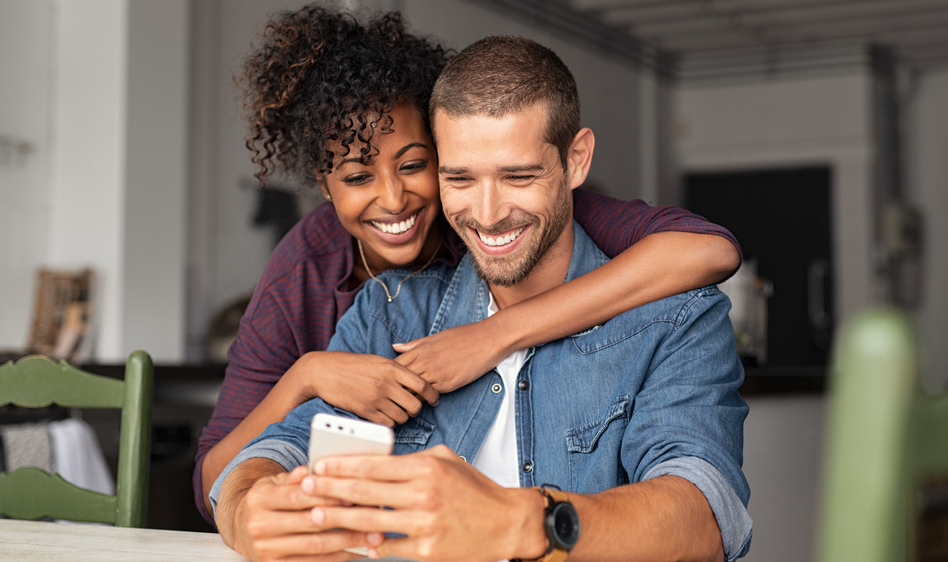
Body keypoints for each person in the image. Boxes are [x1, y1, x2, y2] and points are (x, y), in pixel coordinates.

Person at [211, 34, 752, 562]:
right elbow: (272, 453)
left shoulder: (678, 318)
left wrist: (519, 522)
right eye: (460, 178)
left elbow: (703, 516)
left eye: (518, 176)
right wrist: (244, 510)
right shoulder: (386, 311)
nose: (488, 213)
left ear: (576, 161)